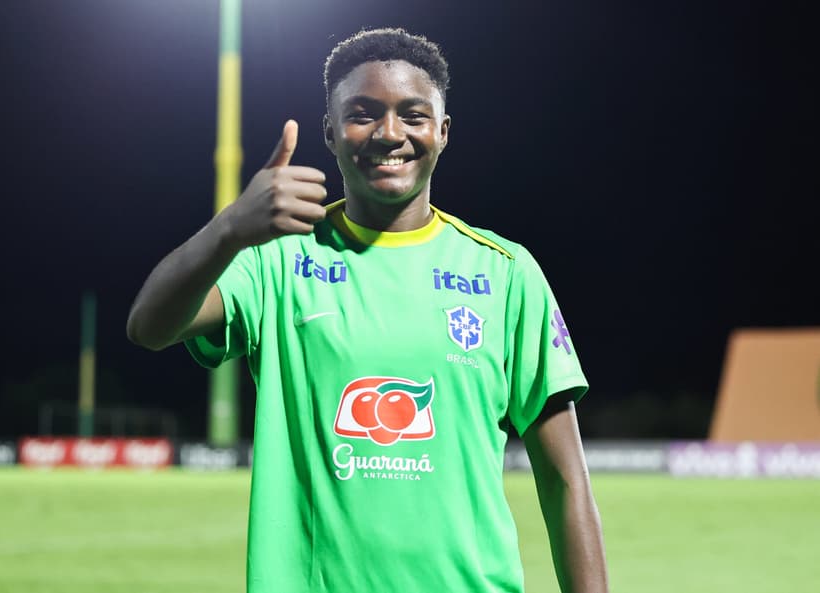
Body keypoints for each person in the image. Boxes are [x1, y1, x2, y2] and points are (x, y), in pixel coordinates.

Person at [128, 27, 609, 593]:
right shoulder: (277, 263)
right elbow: (149, 327)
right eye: (363, 113)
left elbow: (565, 480)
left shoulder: (505, 273)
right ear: (330, 132)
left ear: (442, 131)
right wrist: (230, 228)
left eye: (413, 115)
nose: (389, 134)